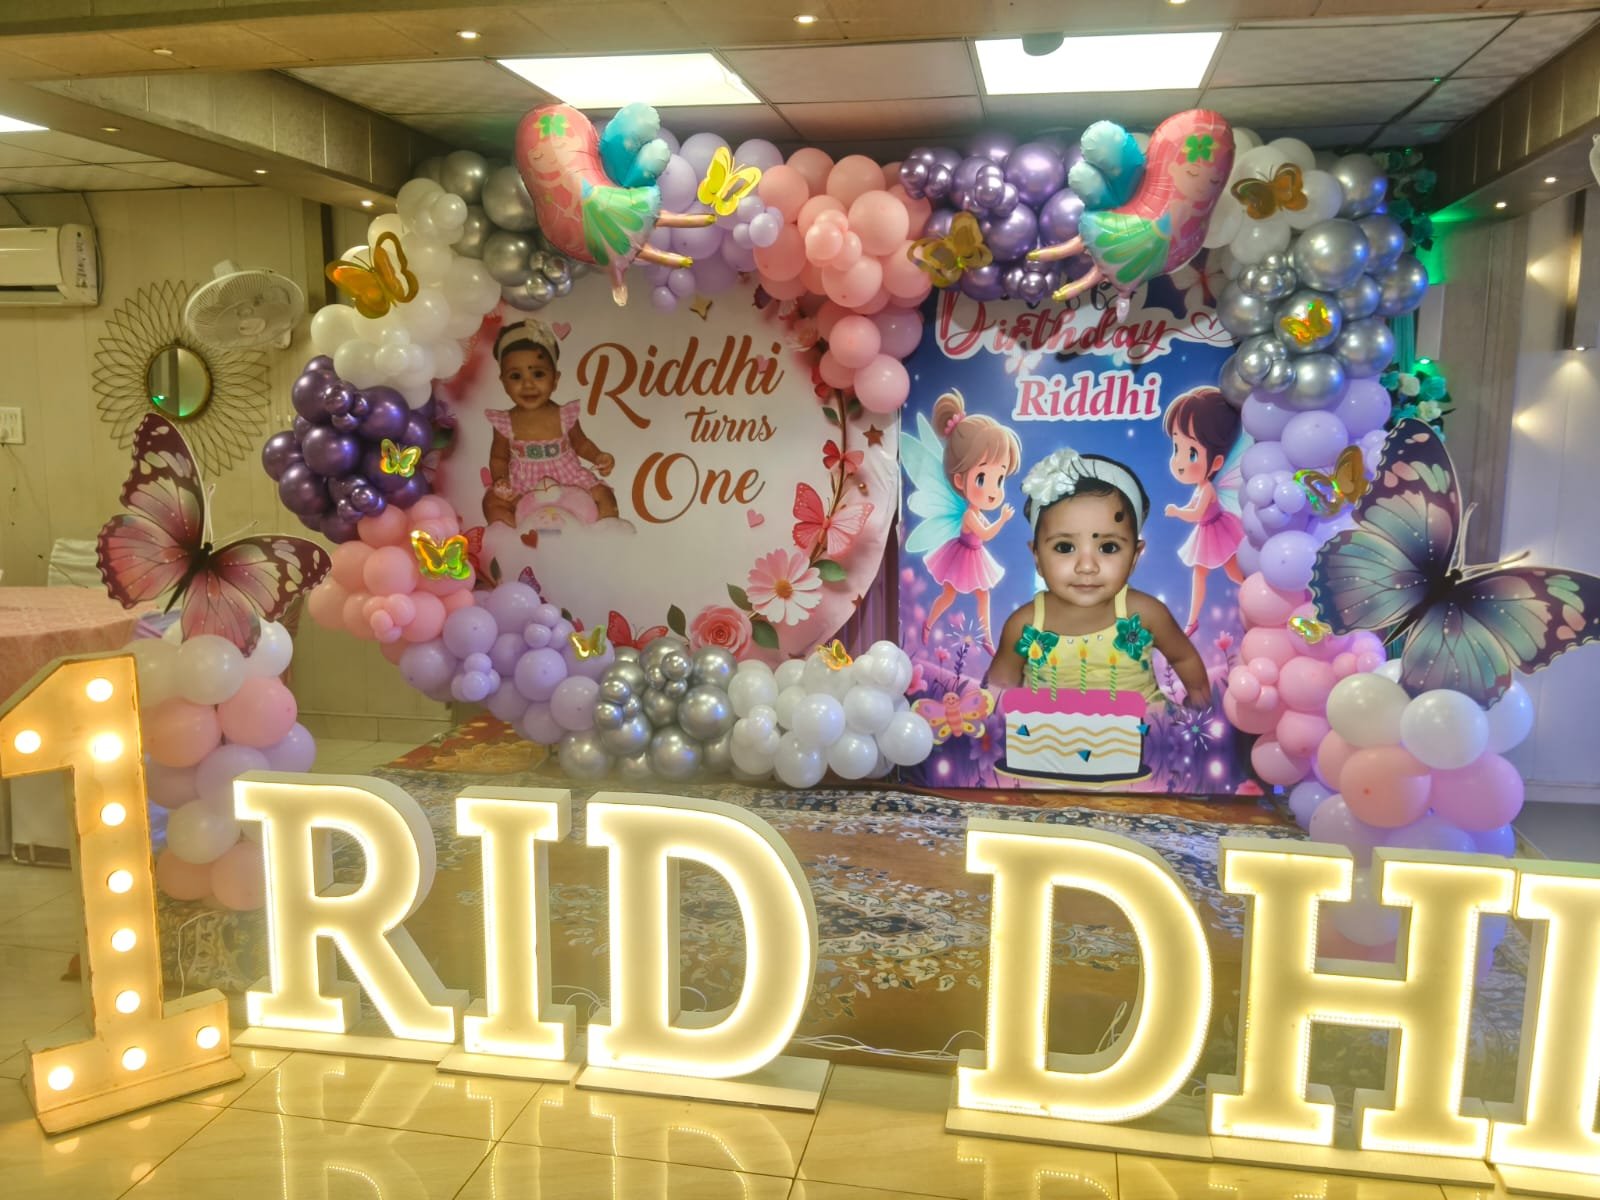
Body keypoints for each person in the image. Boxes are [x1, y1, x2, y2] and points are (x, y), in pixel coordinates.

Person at [986, 448, 1211, 708]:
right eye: (1064, 547)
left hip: (1143, 727)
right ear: (1036, 555)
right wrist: (992, 715)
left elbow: (1183, 657)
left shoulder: (1145, 614)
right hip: (1050, 731)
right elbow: (1001, 682)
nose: (1087, 566)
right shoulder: (1025, 625)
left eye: (1108, 547)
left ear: (1135, 555)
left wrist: (1200, 700)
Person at [903, 389, 1022, 654]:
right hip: (961, 558)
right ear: (959, 480)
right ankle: (928, 624)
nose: (993, 490)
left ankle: (987, 638)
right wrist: (1002, 519)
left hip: (975, 556)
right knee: (948, 595)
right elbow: (986, 534)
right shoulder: (969, 515)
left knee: (983, 595)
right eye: (982, 478)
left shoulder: (976, 511)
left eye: (999, 479)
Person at [482, 319, 617, 540]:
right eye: (515, 376)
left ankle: (605, 537)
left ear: (555, 379)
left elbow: (581, 443)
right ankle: (513, 539)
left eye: (538, 374)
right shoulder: (505, 422)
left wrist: (598, 456)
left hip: (568, 479)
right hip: (523, 482)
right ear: (503, 381)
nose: (528, 384)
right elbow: (499, 457)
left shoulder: (564, 415)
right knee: (491, 502)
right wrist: (501, 480)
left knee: (604, 495)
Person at [1162, 386, 1245, 636]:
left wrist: (1177, 512)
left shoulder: (1207, 488)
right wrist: (1181, 509)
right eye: (1177, 448)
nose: (1179, 462)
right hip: (1207, 532)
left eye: (1192, 453)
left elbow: (1196, 514)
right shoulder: (1200, 487)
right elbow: (1193, 507)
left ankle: (1253, 591)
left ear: (1217, 462)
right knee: (1199, 574)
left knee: (1233, 572)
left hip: (1218, 530)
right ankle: (1192, 621)